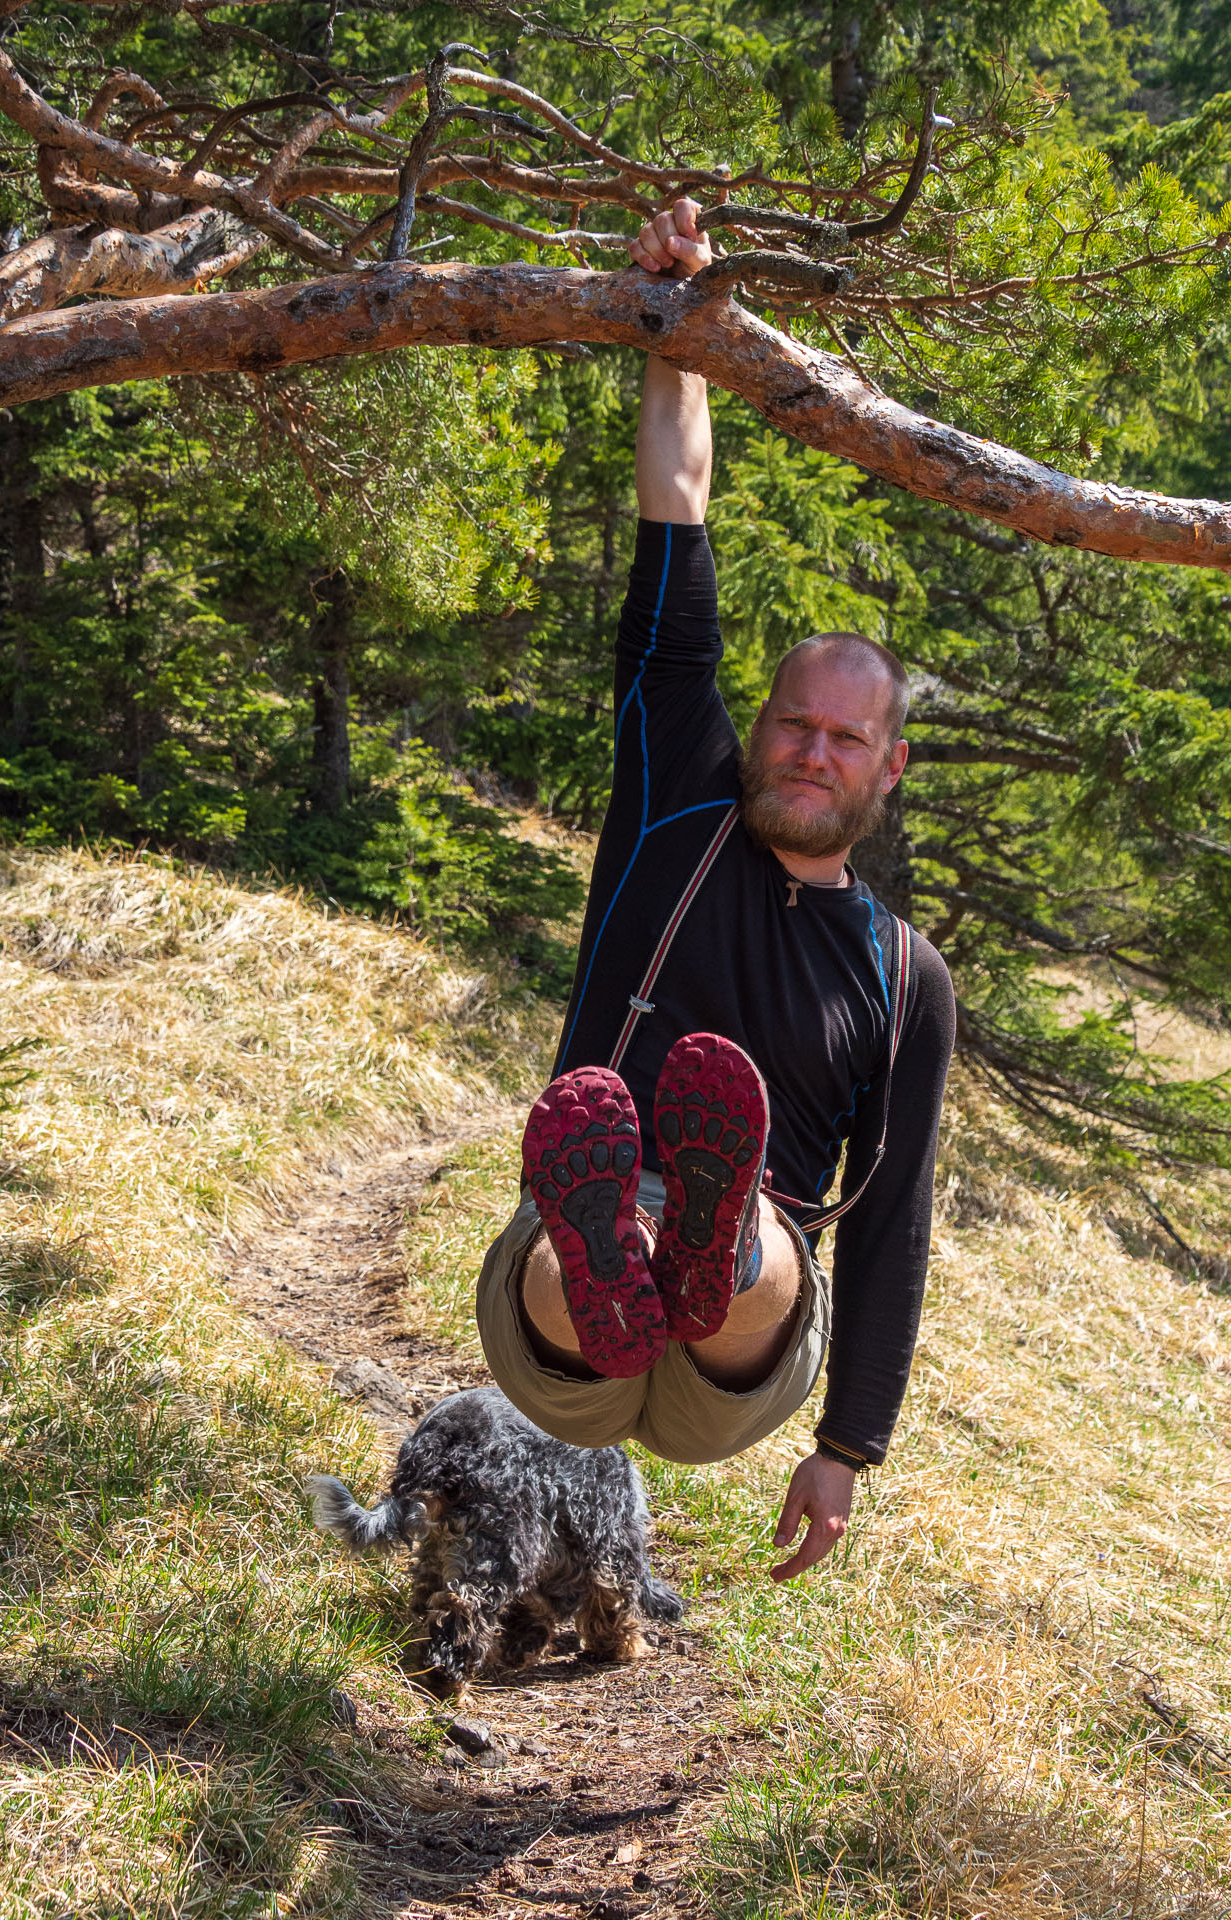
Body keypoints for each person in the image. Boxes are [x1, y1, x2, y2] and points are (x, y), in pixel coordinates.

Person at [476, 198, 956, 1580]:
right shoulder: (675, 803)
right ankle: (628, 1248)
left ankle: (705, 1242)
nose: (810, 751)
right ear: (757, 724)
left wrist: (850, 1443)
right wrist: (678, 331)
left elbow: (898, 1206)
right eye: (793, 723)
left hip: (747, 1350)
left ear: (889, 767)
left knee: (753, 1243)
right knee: (595, 1240)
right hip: (558, 1322)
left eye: (844, 738)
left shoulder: (904, 977)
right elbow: (675, 514)